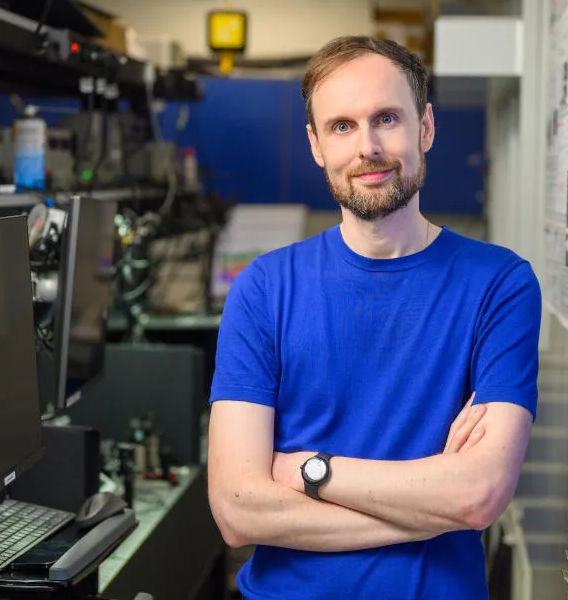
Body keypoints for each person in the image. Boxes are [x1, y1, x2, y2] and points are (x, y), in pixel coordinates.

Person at [206, 36, 542, 599]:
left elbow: (480, 494)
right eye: (342, 126)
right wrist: (433, 508)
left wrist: (313, 471)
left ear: (426, 127)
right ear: (315, 145)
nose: (368, 147)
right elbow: (239, 511)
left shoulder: (499, 285)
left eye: (386, 118)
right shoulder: (263, 290)